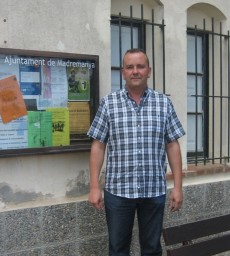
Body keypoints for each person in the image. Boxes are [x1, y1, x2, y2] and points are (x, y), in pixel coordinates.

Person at [87, 48, 185, 256]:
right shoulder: (109, 103)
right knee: (118, 249)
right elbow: (98, 145)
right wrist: (94, 186)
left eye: (140, 66)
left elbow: (172, 145)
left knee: (151, 249)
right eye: (130, 67)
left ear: (149, 71)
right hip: (118, 191)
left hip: (154, 189)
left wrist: (178, 187)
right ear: (123, 72)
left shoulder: (164, 103)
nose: (135, 71)